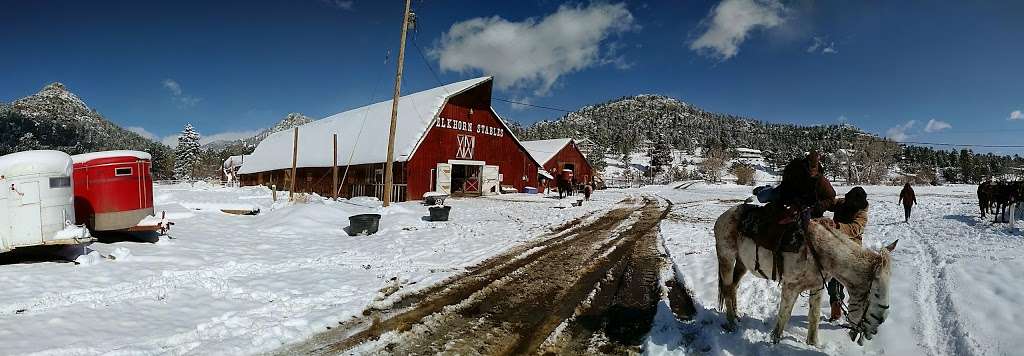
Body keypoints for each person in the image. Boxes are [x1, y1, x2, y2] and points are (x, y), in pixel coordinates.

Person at [822, 186, 869, 321]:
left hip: (851, 249)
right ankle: (835, 304)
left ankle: (859, 310)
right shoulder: (843, 203)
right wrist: (821, 203)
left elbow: (855, 229)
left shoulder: (861, 214)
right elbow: (832, 203)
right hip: (835, 244)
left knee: (849, 281)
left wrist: (836, 226)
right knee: (833, 279)